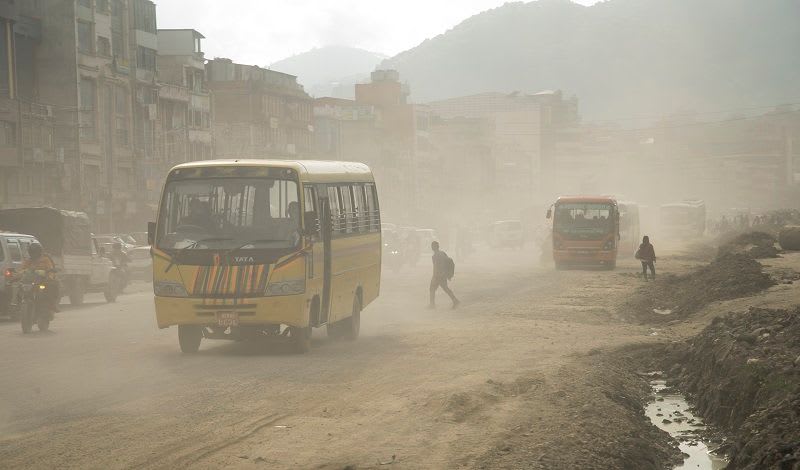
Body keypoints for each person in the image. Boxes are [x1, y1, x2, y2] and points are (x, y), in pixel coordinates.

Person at [13, 242, 59, 312]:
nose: (34, 254)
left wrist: (50, 276)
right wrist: (16, 276)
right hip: (30, 281)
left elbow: (50, 269)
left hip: (43, 280)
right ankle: (17, 306)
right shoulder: (28, 261)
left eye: (35, 252)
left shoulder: (45, 259)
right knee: (19, 288)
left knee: (54, 285)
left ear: (39, 251)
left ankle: (53, 304)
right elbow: (22, 270)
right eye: (32, 252)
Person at [428, 241, 459, 309]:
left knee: (432, 289)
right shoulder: (443, 253)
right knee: (445, 289)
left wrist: (435, 276)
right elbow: (447, 263)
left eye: (432, 246)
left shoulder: (435, 256)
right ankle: (455, 300)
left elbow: (437, 267)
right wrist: (447, 274)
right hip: (443, 275)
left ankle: (432, 305)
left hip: (438, 276)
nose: (431, 247)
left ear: (433, 247)